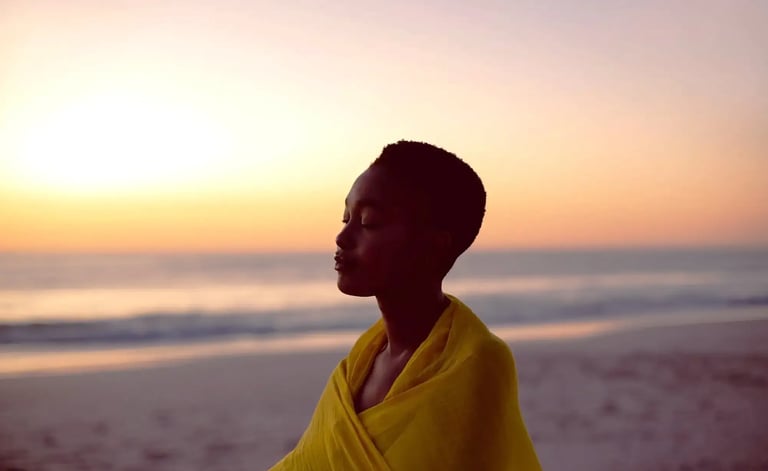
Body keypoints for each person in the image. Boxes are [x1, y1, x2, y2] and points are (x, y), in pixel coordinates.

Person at [269, 140, 541, 470]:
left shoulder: (475, 362)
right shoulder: (361, 359)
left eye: (369, 222)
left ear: (433, 246)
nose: (342, 238)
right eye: (345, 219)